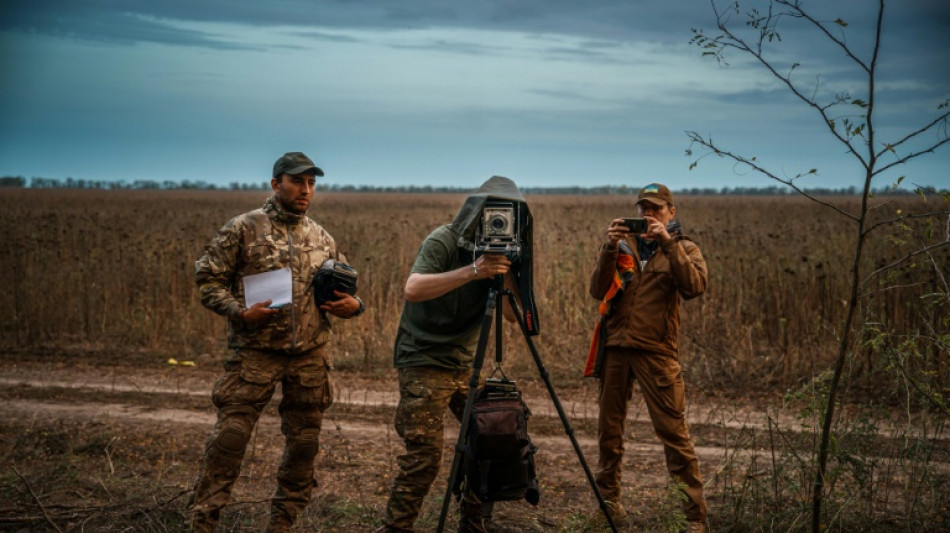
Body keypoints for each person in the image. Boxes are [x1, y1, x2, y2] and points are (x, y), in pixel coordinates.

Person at [187, 152, 364, 533]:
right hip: (255, 355)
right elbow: (207, 280)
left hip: (309, 359)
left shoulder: (320, 236)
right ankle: (202, 521)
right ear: (275, 184)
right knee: (230, 440)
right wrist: (238, 311)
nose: (306, 190)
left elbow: (345, 289)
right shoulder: (243, 228)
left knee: (303, 446)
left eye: (312, 183)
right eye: (298, 181)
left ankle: (282, 524)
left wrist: (355, 306)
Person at [378, 176, 536, 533]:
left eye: (505, 216)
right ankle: (397, 528)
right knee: (424, 457)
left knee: (492, 441)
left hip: (469, 360)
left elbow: (514, 318)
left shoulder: (508, 251)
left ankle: (474, 521)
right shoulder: (444, 239)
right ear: (475, 212)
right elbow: (413, 289)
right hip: (424, 356)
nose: (497, 223)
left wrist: (508, 271)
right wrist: (474, 270)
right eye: (491, 215)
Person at [588, 182, 709, 532]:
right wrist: (609, 248)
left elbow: (694, 287)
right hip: (616, 349)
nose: (647, 215)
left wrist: (668, 244)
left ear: (671, 212)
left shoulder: (684, 248)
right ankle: (609, 507)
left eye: (655, 209)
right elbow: (597, 289)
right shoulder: (622, 247)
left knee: (673, 433)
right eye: (643, 208)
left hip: (657, 352)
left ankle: (694, 518)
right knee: (608, 433)